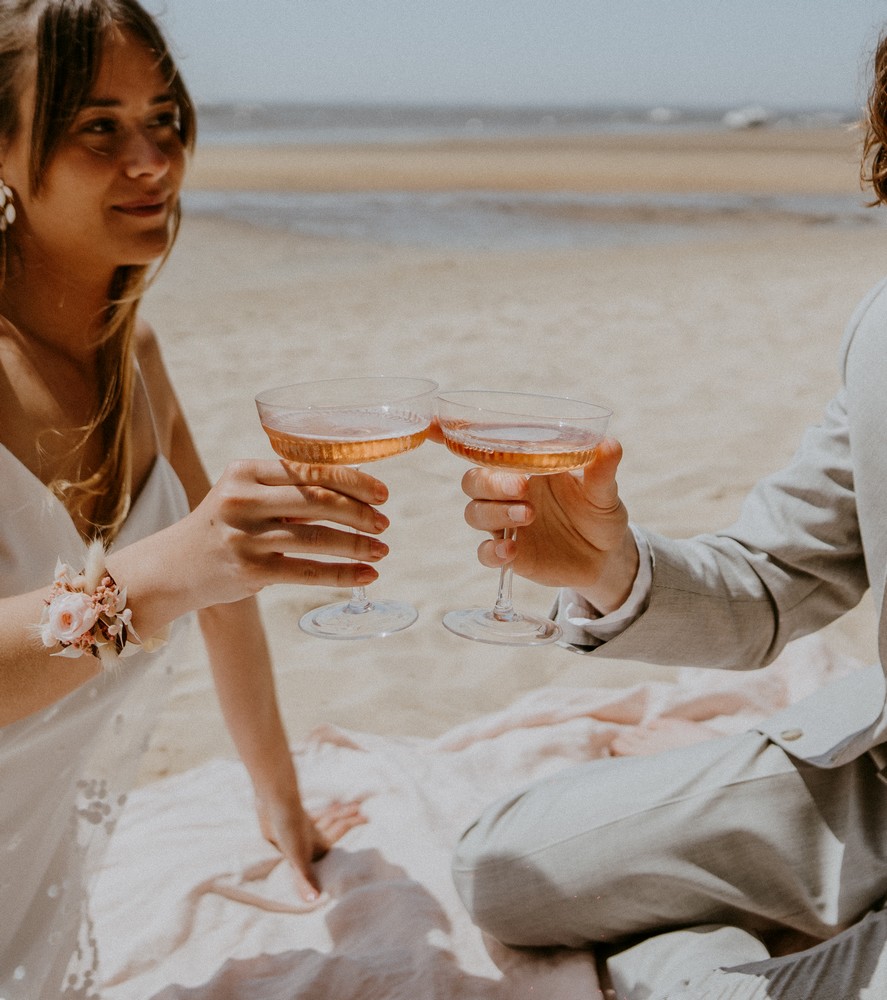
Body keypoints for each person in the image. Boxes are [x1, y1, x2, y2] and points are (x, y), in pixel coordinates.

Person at [450, 34, 887, 1000]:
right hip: (877, 791)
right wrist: (611, 564)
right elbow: (775, 580)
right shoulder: (884, 330)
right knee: (502, 871)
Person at [0, 1, 386, 994]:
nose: (151, 160)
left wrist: (283, 806)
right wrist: (153, 579)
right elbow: (183, 573)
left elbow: (225, 594)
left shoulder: (131, 353)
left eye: (163, 118)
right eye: (99, 128)